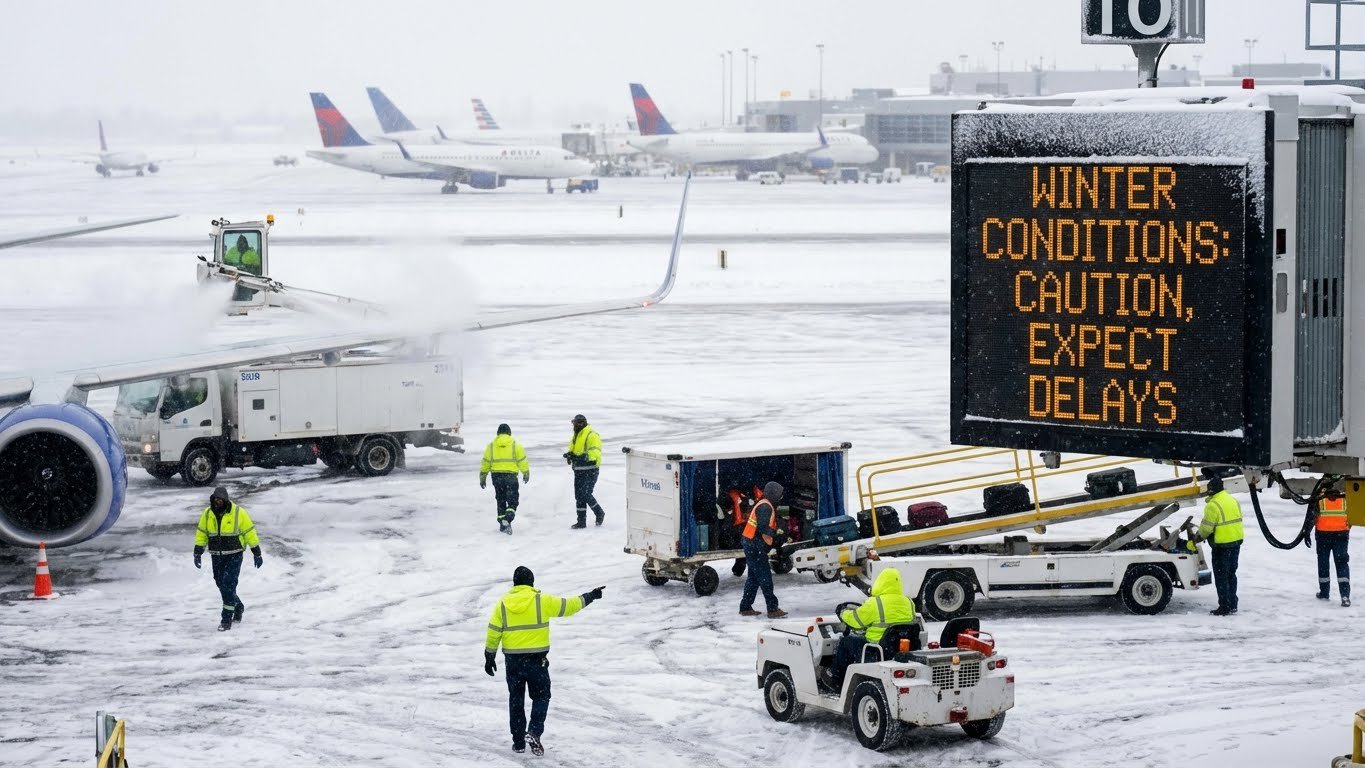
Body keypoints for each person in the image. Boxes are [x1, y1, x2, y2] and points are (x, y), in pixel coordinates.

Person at [485, 566, 604, 756]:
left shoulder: (502, 603)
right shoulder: (541, 600)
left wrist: (489, 654)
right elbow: (569, 606)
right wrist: (590, 596)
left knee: (516, 699)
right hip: (536, 660)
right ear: (532, 582)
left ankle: (518, 743)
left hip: (513, 662)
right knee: (541, 696)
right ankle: (534, 731)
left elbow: (493, 630)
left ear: (515, 583)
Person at [823, 567, 916, 691]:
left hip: (876, 649)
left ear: (880, 582)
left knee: (846, 643)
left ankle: (836, 680)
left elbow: (856, 621)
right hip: (897, 649)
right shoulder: (909, 602)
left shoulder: (875, 603)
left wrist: (843, 612)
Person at [193, 486, 263, 631]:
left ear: (226, 500)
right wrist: (197, 552)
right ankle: (238, 606)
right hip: (216, 555)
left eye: (220, 499)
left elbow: (250, 532)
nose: (218, 502)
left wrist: (256, 552)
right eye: (215, 499)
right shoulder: (207, 514)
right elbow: (202, 534)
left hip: (234, 554)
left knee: (228, 585)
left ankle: (226, 619)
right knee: (220, 583)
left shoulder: (239, 513)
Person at [1196, 476, 1244, 616]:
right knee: (1231, 574)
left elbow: (1206, 529)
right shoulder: (1233, 500)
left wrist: (1198, 537)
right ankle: (1233, 603)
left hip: (1222, 546)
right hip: (1235, 543)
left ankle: (1224, 606)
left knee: (1221, 576)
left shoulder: (1213, 505)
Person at [739, 481, 787, 619]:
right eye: (779, 495)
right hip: (755, 546)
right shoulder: (765, 506)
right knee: (765, 577)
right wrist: (777, 532)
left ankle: (745, 607)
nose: (780, 498)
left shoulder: (764, 503)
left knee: (753, 578)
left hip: (750, 543)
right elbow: (763, 528)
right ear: (773, 494)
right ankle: (772, 609)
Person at [480, 423, 530, 535]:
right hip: (510, 477)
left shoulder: (491, 446)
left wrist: (482, 477)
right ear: (509, 433)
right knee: (513, 500)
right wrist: (526, 472)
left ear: (498, 433)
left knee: (500, 499)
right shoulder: (515, 445)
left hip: (496, 477)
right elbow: (522, 460)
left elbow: (485, 463)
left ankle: (503, 525)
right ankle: (509, 517)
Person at [1309, 487, 1351, 607]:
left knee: (1323, 564)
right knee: (1342, 564)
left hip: (1323, 537)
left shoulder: (1320, 500)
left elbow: (1312, 518)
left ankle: (1324, 593)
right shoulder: (1346, 500)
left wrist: (1306, 533)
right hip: (1341, 536)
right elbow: (1352, 517)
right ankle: (1345, 596)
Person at [564, 414, 605, 529]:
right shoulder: (575, 436)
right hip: (578, 471)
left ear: (581, 423)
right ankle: (581, 521)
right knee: (579, 496)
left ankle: (599, 512)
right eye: (573, 423)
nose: (574, 426)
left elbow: (595, 453)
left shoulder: (592, 435)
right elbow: (574, 450)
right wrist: (570, 455)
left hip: (590, 471)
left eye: (575, 423)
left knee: (586, 494)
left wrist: (583, 458)